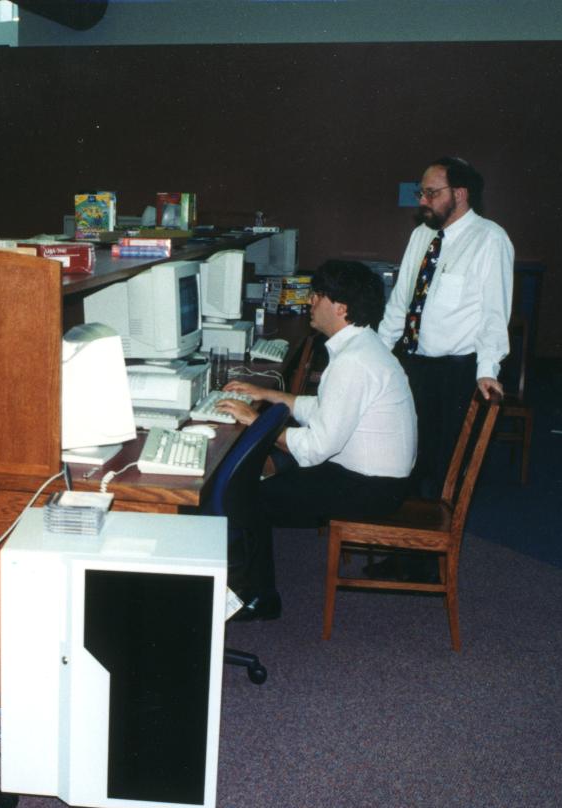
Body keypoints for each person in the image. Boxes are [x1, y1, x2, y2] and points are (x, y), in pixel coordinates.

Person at [217, 260, 417, 621]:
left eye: (318, 295)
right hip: (374, 478)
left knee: (246, 495)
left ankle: (259, 598)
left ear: (341, 307)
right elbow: (324, 408)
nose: (311, 302)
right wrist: (269, 395)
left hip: (370, 488)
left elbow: (314, 448)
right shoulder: (361, 346)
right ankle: (246, 585)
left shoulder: (353, 362)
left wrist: (256, 422)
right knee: (260, 474)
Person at [378, 156, 514, 500]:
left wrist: (488, 370)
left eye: (431, 193)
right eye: (421, 193)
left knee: (442, 468)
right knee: (403, 458)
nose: (422, 201)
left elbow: (494, 315)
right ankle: (402, 545)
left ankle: (426, 550)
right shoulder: (420, 236)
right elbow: (401, 302)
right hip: (412, 364)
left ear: (461, 193)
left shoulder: (490, 240)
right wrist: (377, 351)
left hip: (455, 374)